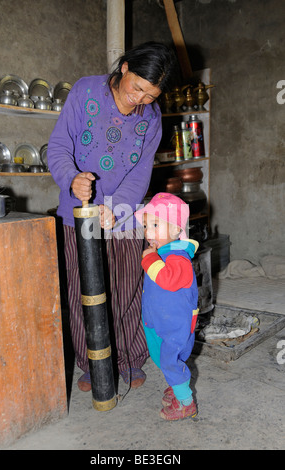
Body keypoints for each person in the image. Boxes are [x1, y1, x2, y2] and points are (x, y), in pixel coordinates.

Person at [47, 42, 177, 392]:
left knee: (125, 290)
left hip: (125, 214)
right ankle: (93, 362)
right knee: (81, 290)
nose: (141, 100)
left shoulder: (151, 118)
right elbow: (60, 146)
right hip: (80, 210)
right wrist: (71, 178)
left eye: (151, 95)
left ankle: (129, 358)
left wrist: (118, 206)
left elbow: (140, 175)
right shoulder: (85, 91)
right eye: (138, 88)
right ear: (124, 69)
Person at [135, 192, 199, 420]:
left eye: (155, 225)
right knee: (162, 357)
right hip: (158, 320)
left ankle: (186, 403)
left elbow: (168, 280)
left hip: (175, 324)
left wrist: (149, 260)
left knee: (171, 360)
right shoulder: (161, 252)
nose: (148, 232)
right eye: (145, 225)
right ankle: (176, 384)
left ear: (175, 230)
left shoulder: (178, 257)